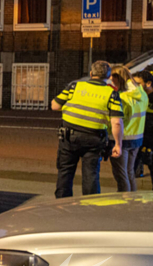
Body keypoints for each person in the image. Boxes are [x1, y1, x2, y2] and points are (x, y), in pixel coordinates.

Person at [51, 60, 123, 198]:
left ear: (90, 74)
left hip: (68, 137)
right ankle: (90, 206)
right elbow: (117, 123)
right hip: (94, 139)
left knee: (65, 172)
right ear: (108, 77)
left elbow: (55, 106)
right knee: (91, 174)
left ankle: (60, 204)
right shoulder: (112, 94)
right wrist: (118, 144)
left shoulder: (74, 86)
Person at [109, 65, 147, 192]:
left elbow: (117, 121)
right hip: (137, 138)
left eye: (113, 77)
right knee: (129, 172)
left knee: (121, 174)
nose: (110, 79)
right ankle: (132, 200)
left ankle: (125, 201)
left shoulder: (122, 97)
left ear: (118, 78)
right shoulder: (142, 93)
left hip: (123, 139)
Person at [136, 71, 153, 179]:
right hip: (140, 140)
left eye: (138, 83)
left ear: (148, 83)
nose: (135, 87)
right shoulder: (139, 97)